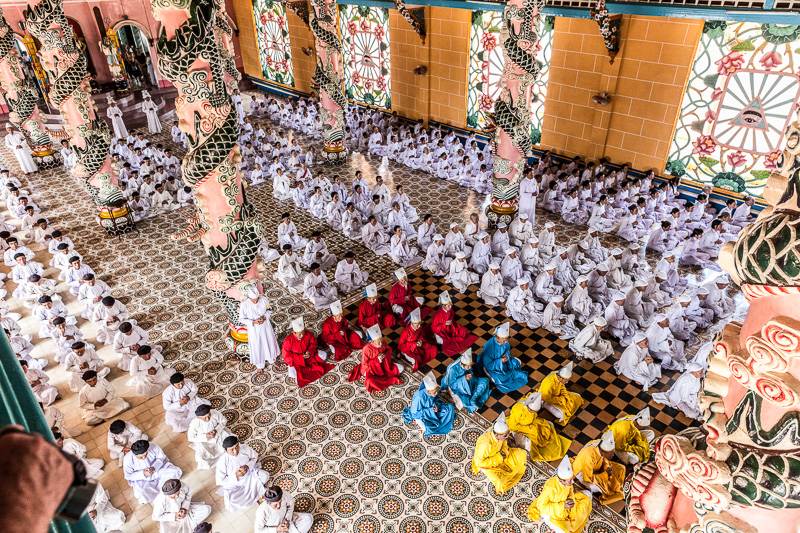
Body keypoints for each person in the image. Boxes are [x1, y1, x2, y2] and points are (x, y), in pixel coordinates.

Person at [527, 455, 592, 533]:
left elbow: (570, 490)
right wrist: (563, 505)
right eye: (570, 481)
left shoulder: (566, 482)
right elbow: (541, 507)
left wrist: (570, 500)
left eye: (572, 479)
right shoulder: (550, 489)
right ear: (561, 481)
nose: (573, 482)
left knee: (588, 495)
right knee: (565, 530)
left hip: (565, 507)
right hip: (553, 513)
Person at [471, 413, 528, 494]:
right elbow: (479, 462)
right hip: (488, 465)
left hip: (501, 455)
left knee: (522, 454)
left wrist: (503, 453)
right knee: (500, 481)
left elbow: (504, 445)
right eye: (505, 436)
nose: (507, 437)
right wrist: (499, 457)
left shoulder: (501, 437)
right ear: (497, 435)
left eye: (508, 434)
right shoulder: (485, 445)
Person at [508, 392, 571, 461]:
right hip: (518, 429)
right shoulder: (518, 410)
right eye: (530, 409)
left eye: (533, 411)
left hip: (532, 423)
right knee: (528, 444)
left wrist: (533, 427)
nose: (530, 411)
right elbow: (512, 426)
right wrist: (530, 429)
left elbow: (533, 417)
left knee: (550, 425)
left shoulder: (532, 409)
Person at [215, 436, 269, 511]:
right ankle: (259, 488)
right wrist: (236, 476)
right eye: (232, 449)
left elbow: (254, 457)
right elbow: (220, 481)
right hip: (235, 484)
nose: (235, 451)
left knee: (265, 476)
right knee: (230, 504)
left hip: (249, 475)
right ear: (226, 451)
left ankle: (257, 489)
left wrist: (248, 466)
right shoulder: (222, 461)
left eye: (237, 447)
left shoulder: (244, 448)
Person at [573, 431, 626, 505]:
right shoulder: (589, 456)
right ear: (604, 452)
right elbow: (587, 478)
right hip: (584, 473)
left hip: (597, 468)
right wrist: (605, 474)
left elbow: (604, 459)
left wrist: (607, 467)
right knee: (600, 488)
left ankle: (617, 485)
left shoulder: (600, 445)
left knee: (621, 468)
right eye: (611, 453)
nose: (613, 455)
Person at [123, 440, 183, 504]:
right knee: (141, 491)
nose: (144, 458)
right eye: (140, 457)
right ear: (134, 454)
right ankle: (161, 491)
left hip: (159, 470)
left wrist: (154, 467)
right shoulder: (128, 459)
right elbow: (128, 475)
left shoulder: (153, 446)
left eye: (146, 454)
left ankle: (164, 490)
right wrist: (143, 473)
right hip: (143, 479)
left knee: (174, 472)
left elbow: (161, 458)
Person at [347, 325, 403, 392]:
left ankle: (382, 378)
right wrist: (377, 360)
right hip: (372, 370)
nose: (381, 343)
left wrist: (385, 355)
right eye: (378, 342)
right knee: (369, 381)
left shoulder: (383, 342)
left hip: (384, 366)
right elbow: (365, 365)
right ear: (373, 342)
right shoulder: (366, 349)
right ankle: (381, 379)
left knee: (401, 368)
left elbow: (389, 349)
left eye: (381, 341)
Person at [239, 287, 280, 372]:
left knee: (268, 341)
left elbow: (269, 309)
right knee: (257, 345)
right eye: (253, 300)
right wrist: (253, 322)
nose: (255, 302)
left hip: (265, 326)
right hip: (254, 329)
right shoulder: (244, 305)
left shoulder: (264, 299)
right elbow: (242, 319)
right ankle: (259, 365)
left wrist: (264, 317)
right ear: (249, 298)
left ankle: (271, 359)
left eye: (257, 299)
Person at [478, 322, 528, 393]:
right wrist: (500, 361)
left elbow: (507, 349)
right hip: (493, 366)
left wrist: (506, 356)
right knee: (500, 378)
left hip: (503, 361)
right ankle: (489, 375)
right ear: (497, 338)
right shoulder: (488, 348)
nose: (505, 342)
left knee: (516, 362)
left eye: (506, 340)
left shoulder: (505, 341)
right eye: (504, 341)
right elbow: (488, 365)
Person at [402, 371, 455, 436]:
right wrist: (431, 410)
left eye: (436, 391)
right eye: (434, 392)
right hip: (422, 415)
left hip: (432, 409)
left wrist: (434, 405)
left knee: (450, 407)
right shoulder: (420, 397)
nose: (436, 394)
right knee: (428, 429)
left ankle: (438, 420)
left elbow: (435, 399)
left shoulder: (433, 391)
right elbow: (415, 414)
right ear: (428, 392)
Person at [441, 348, 490, 412]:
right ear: (462, 364)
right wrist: (464, 379)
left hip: (470, 382)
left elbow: (471, 372)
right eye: (468, 366)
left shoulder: (468, 366)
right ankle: (472, 400)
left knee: (485, 380)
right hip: (459, 388)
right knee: (463, 402)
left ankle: (473, 398)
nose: (470, 367)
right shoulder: (453, 369)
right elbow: (452, 385)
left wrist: (469, 377)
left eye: (470, 365)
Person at [431, 291, 478, 357]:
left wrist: (450, 320)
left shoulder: (449, 309)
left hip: (450, 327)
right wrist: (445, 325)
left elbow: (452, 314)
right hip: (441, 331)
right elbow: (434, 327)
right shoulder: (437, 315)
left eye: (451, 305)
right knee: (443, 341)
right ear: (443, 306)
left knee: (461, 331)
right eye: (449, 306)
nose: (450, 307)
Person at [188, 404, 232, 470]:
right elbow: (191, 437)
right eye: (205, 418)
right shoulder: (194, 423)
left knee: (230, 443)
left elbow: (223, 421)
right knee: (201, 457)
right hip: (204, 441)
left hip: (218, 435)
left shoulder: (214, 413)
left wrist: (216, 430)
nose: (208, 419)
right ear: (198, 417)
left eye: (209, 415)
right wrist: (205, 436)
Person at [398, 307, 437, 371]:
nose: (419, 326)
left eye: (419, 324)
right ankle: (405, 355)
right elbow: (401, 345)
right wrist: (415, 344)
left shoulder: (419, 327)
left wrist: (420, 341)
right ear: (412, 323)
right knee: (416, 360)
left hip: (418, 344)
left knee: (433, 349)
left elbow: (421, 334)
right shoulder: (405, 332)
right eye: (417, 324)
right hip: (408, 349)